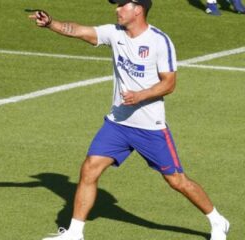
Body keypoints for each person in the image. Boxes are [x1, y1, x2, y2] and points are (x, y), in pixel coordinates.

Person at [28, 0, 230, 240]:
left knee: (176, 180)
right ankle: (75, 233)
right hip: (118, 123)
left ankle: (217, 220)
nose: (116, 9)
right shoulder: (114, 33)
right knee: (89, 169)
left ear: (138, 9)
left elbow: (169, 83)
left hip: (149, 127)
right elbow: (80, 30)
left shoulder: (159, 41)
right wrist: (51, 23)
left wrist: (140, 96)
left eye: (122, 5)